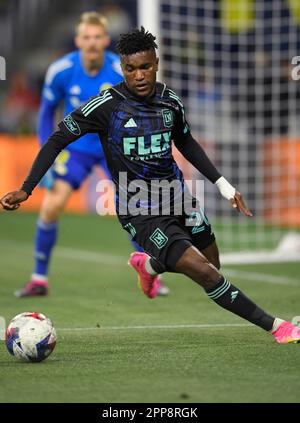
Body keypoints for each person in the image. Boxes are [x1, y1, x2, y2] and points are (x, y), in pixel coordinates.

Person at [1, 27, 299, 344]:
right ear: (123, 69)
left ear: (156, 63)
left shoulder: (170, 101)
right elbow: (58, 137)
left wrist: (223, 185)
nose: (139, 75)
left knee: (214, 264)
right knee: (207, 274)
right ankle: (277, 327)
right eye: (131, 69)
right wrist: (27, 188)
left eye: (145, 67)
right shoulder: (106, 106)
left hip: (177, 198)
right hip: (139, 210)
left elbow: (186, 142)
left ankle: (150, 266)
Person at [14, 13, 169, 298]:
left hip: (114, 147)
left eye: (97, 37)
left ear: (105, 40)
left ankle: (149, 272)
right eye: (87, 37)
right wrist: (46, 154)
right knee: (51, 205)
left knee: (135, 209)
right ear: (78, 40)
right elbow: (47, 113)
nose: (92, 43)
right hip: (76, 150)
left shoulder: (118, 68)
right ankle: (39, 279)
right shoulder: (61, 70)